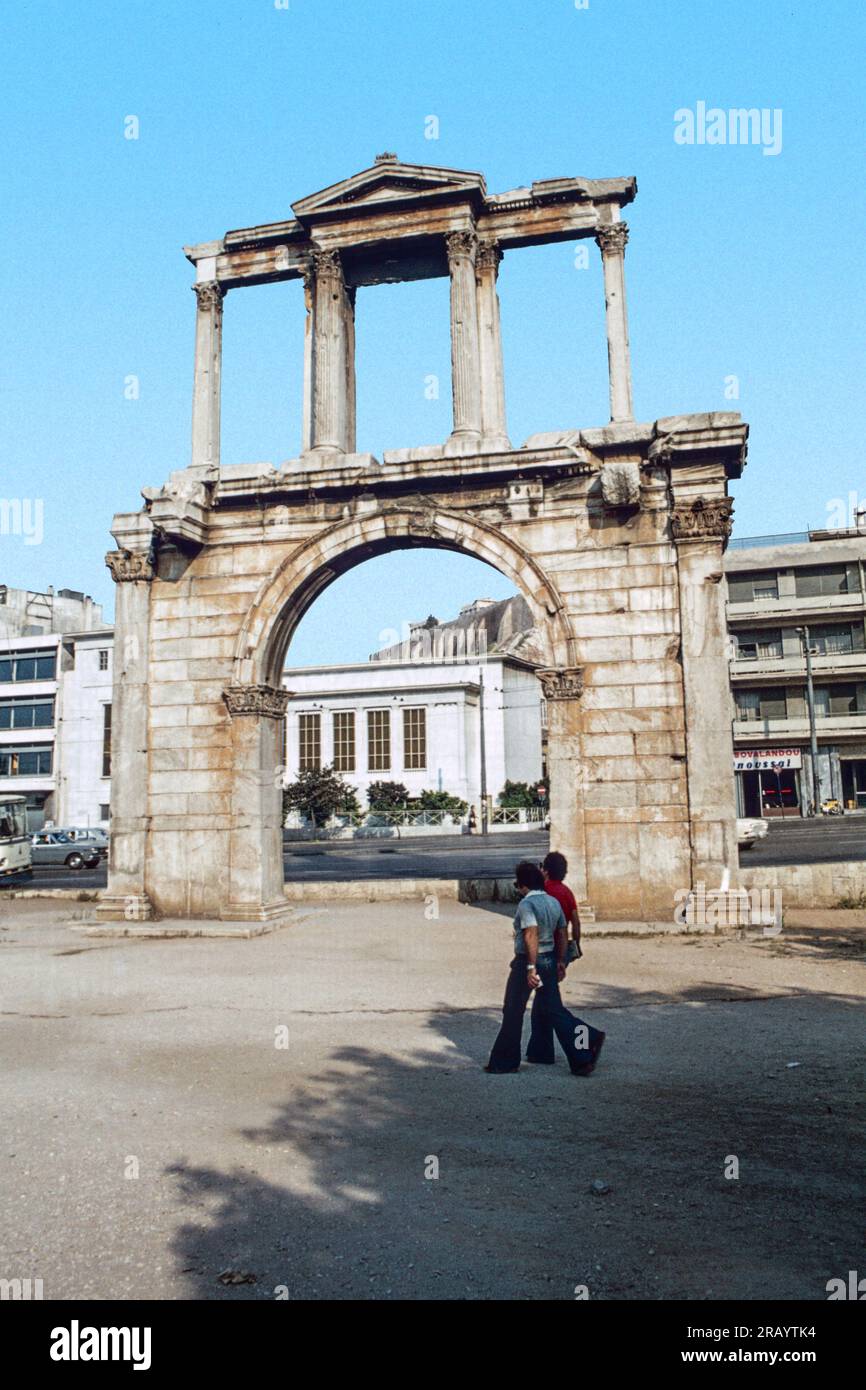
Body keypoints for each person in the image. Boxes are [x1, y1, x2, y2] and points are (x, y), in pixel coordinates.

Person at [485, 860, 605, 1076]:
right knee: (554, 1010)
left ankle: (504, 1061)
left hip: (528, 962)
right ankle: (585, 1045)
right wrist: (560, 960)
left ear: (523, 885)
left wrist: (531, 967)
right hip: (550, 960)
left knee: (513, 1009)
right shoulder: (553, 902)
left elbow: (531, 934)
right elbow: (561, 932)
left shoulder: (526, 905)